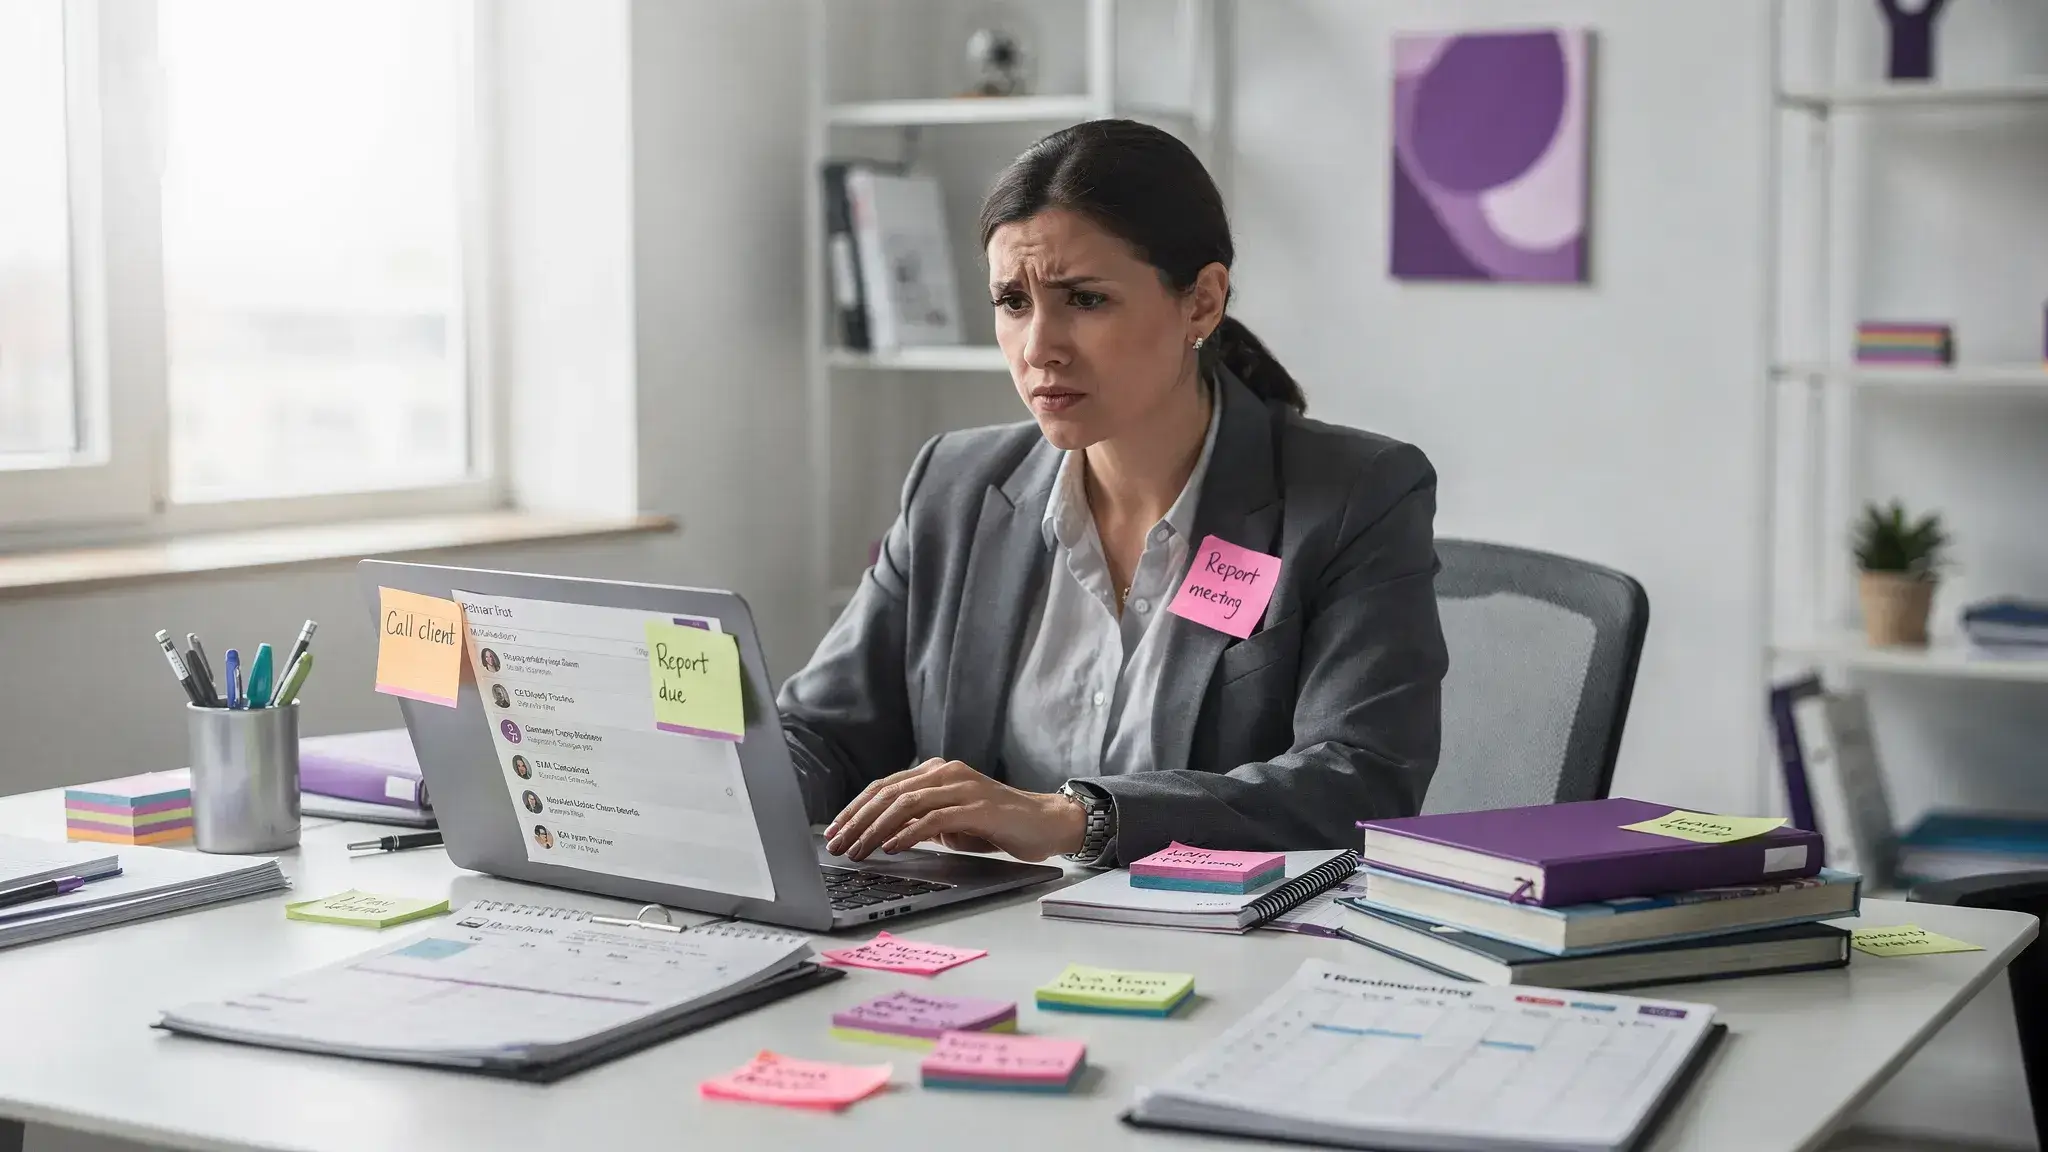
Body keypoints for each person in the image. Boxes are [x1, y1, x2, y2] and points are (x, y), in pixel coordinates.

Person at [779, 119, 1447, 869]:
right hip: (975, 935)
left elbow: (1358, 784)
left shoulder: (1357, 496)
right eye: (1013, 301)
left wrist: (1077, 819)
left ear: (1201, 302)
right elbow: (820, 733)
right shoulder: (955, 486)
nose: (1039, 348)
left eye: (1086, 300)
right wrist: (710, 794)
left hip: (1222, 945)